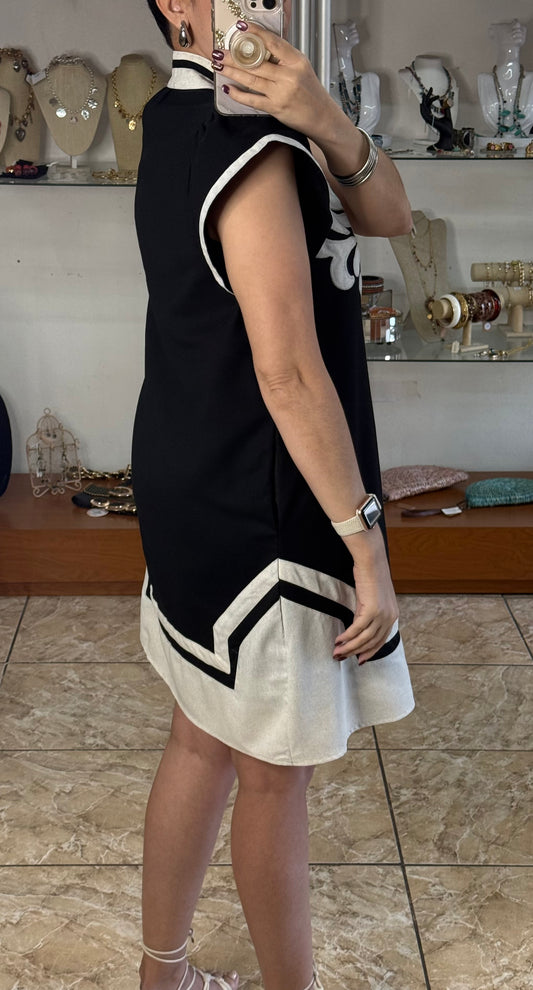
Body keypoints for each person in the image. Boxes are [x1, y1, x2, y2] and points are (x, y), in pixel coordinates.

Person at [132, 2, 414, 989]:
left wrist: (324, 117)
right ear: (178, 7)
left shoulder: (182, 113)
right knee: (271, 777)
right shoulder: (243, 143)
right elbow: (287, 372)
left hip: (189, 470)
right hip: (267, 506)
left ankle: (163, 977)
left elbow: (391, 217)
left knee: (201, 740)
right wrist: (365, 542)